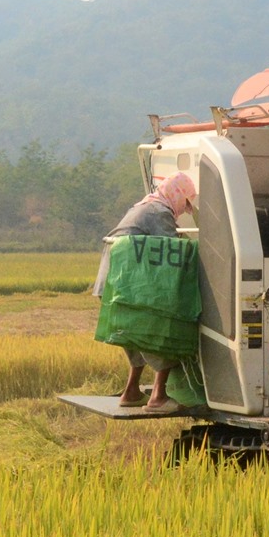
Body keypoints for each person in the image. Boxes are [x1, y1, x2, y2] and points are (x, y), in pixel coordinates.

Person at [95, 172, 197, 411]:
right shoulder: (160, 212)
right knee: (162, 331)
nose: (183, 210)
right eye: (185, 203)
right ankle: (158, 397)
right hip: (130, 282)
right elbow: (173, 252)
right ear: (177, 195)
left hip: (112, 281)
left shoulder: (143, 206)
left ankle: (131, 391)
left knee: (134, 334)